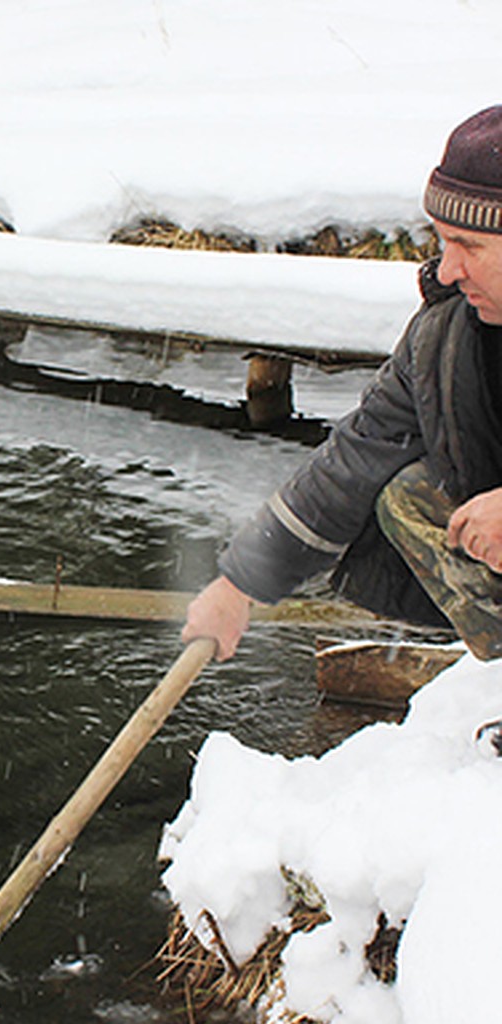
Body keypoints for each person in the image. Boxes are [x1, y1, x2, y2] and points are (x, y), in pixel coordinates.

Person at [182, 104, 502, 671]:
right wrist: (238, 584)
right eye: (442, 242)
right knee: (408, 493)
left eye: (469, 246)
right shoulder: (447, 335)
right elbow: (356, 456)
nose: (447, 269)